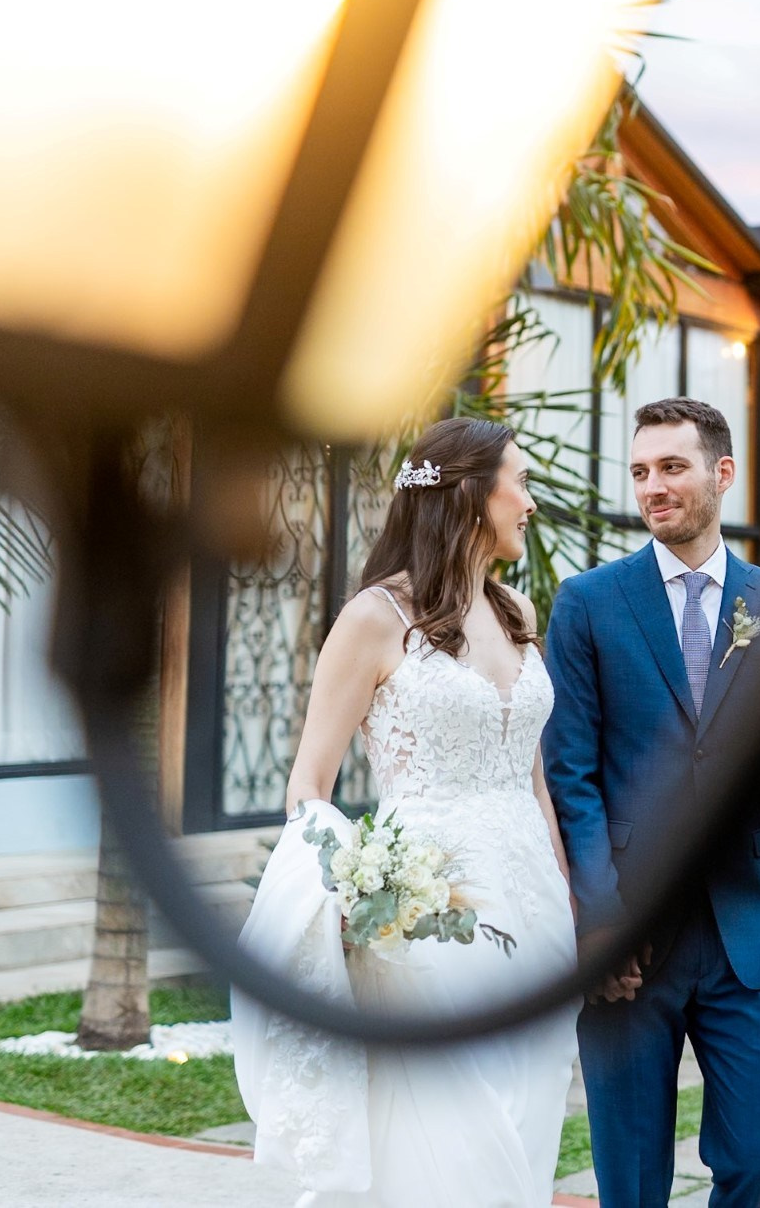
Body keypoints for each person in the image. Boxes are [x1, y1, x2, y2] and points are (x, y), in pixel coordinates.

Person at [232, 417, 579, 1207]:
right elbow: (308, 784)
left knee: (529, 1107)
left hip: (535, 906)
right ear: (469, 494)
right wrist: (361, 887)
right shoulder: (374, 619)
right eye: (519, 482)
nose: (529, 502)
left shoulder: (518, 613)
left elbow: (531, 777)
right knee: (452, 1116)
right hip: (429, 910)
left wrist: (564, 887)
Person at [544, 396, 760, 1208]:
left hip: (749, 933)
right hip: (632, 936)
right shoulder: (589, 604)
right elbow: (573, 777)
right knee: (631, 1177)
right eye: (640, 472)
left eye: (672, 467)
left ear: (722, 474)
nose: (653, 487)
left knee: (756, 1160)